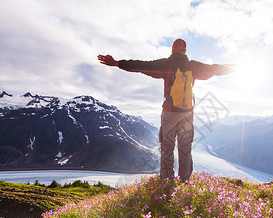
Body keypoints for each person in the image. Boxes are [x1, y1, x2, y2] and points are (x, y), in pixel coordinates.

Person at [98, 39, 233, 182]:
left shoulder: (165, 64)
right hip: (187, 115)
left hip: (169, 113)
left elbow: (140, 65)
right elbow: (214, 69)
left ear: (172, 48)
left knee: (167, 149)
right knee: (185, 150)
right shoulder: (193, 66)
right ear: (185, 51)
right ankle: (184, 182)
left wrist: (117, 63)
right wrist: (236, 68)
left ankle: (167, 182)